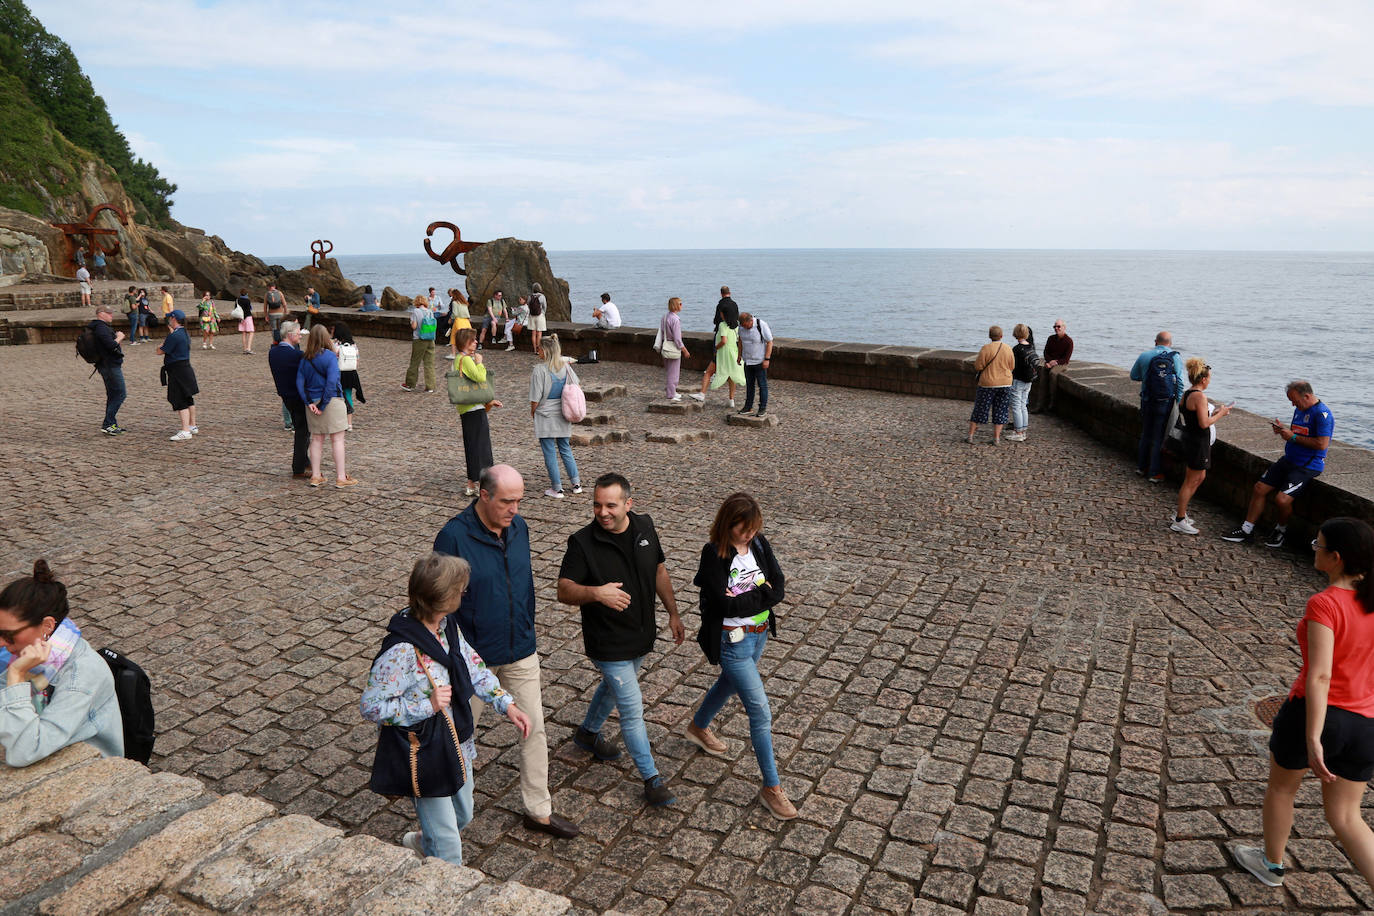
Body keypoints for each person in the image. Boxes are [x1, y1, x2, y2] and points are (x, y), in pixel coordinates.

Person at [433, 465, 580, 840]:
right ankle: (446, 818)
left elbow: (523, 583)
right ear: (484, 496)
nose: (515, 509)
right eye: (506, 501)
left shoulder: (519, 527)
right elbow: (440, 605)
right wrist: (456, 656)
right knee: (458, 737)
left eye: (519, 500)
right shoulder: (453, 537)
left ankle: (539, 811)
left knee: (534, 728)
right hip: (472, 660)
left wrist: (527, 626)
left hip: (520, 649)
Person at [360, 552, 531, 865]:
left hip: (456, 742)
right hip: (425, 752)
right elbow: (371, 706)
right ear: (445, 598)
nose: (465, 594)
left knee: (463, 814)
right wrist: (425, 704)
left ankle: (423, 842)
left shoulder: (448, 626)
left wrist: (506, 704)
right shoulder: (401, 651)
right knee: (449, 844)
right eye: (461, 591)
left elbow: (473, 666)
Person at [1232, 518, 1374, 891]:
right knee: (1348, 817)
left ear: (1336, 557)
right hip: (1365, 723)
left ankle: (1271, 865)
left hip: (1314, 715)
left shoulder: (1325, 603)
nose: (1314, 548)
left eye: (1318, 544)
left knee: (1282, 789)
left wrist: (1314, 737)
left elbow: (1320, 676)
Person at [556, 473, 685, 806]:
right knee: (631, 707)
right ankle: (652, 780)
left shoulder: (645, 527)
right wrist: (596, 593)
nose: (602, 512)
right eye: (597, 505)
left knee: (613, 687)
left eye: (610, 505)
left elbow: (659, 571)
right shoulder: (582, 542)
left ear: (628, 504)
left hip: (641, 635)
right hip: (607, 642)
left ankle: (587, 734)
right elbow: (564, 590)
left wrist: (673, 613)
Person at [685, 492, 796, 819]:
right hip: (731, 642)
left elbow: (778, 584)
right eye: (742, 529)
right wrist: (762, 595)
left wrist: (752, 598)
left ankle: (698, 727)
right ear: (727, 524)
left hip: (758, 635)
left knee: (729, 684)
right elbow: (725, 605)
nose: (749, 534)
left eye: (753, 528)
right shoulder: (714, 554)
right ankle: (771, 788)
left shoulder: (759, 544)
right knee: (760, 712)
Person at [0, 560, 123, 766]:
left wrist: (16, 675)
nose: (1, 643)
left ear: (47, 626)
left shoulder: (80, 676)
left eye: (8, 635)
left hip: (88, 767)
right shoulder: (33, 652)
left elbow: (25, 751)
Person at [1222, 380, 1334, 548]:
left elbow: (1322, 444)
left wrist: (1293, 437)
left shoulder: (1322, 414)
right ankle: (1246, 530)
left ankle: (1280, 530)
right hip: (1289, 459)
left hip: (1307, 465)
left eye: (1295, 401)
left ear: (1307, 396)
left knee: (1282, 500)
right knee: (1259, 488)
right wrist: (1283, 430)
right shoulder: (1300, 409)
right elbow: (1299, 433)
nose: (1293, 405)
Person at [1170, 358, 1232, 535]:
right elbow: (1204, 423)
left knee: (1200, 476)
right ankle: (1179, 519)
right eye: (1209, 377)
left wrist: (1212, 412)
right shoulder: (1200, 396)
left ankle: (1181, 513)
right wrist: (1221, 413)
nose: (1210, 380)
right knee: (1191, 480)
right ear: (1203, 379)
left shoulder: (1187, 393)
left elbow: (1195, 417)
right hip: (1197, 442)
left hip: (1192, 439)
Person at [296, 325, 355, 488]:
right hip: (332, 401)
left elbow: (300, 383)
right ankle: (341, 477)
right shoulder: (330, 356)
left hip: (312, 402)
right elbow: (332, 382)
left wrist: (309, 402)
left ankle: (315, 476)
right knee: (337, 439)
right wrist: (323, 405)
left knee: (316, 439)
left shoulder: (305, 358)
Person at [529, 335, 582, 499]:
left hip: (545, 413)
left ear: (545, 351)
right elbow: (576, 384)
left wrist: (533, 412)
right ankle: (576, 484)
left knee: (549, 451)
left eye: (539, 348)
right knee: (565, 448)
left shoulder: (539, 370)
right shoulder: (565, 367)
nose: (537, 350)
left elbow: (535, 397)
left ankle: (557, 488)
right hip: (563, 412)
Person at [1129, 331, 1186, 481]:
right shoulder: (1175, 357)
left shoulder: (1144, 356)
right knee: (1158, 436)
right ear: (1170, 343)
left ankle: (1141, 467)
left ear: (1155, 342)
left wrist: (1147, 377)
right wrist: (1178, 401)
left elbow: (1134, 376)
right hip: (1165, 402)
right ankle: (1154, 473)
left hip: (1147, 400)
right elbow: (1180, 382)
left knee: (1146, 434)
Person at [453, 329, 501, 496]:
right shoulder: (466, 359)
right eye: (472, 340)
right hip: (474, 407)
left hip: (466, 408)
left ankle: (471, 483)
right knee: (482, 448)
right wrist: (479, 363)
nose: (475, 342)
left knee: (472, 446)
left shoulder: (458, 358)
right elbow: (480, 377)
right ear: (465, 342)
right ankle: (482, 485)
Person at [269, 320, 310, 479]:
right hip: (298, 396)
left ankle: (304, 460)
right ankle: (298, 467)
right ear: (290, 334)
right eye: (298, 333)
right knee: (302, 431)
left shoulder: (273, 352)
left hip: (285, 396)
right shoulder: (296, 355)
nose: (300, 336)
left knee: (301, 428)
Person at [966, 325, 1015, 445]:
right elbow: (1012, 366)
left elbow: (978, 366)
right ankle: (996, 438)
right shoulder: (1008, 348)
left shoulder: (986, 348)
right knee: (1001, 410)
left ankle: (970, 436)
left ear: (989, 336)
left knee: (980, 409)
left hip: (987, 383)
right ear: (1001, 336)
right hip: (1005, 383)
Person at [157, 310, 199, 441]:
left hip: (177, 370)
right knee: (188, 397)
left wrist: (162, 344)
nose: (169, 320)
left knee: (179, 398)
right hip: (185, 368)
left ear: (174, 319)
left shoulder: (174, 336)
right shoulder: (184, 332)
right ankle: (192, 425)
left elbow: (159, 351)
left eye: (170, 318)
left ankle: (185, 430)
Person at [690, 310, 743, 406]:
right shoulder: (736, 326)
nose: (720, 314)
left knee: (708, 372)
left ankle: (702, 394)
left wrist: (716, 348)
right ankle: (731, 400)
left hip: (723, 353)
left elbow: (724, 341)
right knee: (731, 376)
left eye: (722, 313)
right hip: (733, 353)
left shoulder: (723, 325)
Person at [88, 306, 127, 435]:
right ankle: (108, 423)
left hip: (107, 364)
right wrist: (119, 337)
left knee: (113, 394)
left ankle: (111, 424)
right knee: (120, 393)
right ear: (101, 314)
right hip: (109, 365)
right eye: (109, 313)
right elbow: (110, 345)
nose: (111, 315)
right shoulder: (101, 328)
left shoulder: (101, 327)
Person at [1007, 323, 1042, 442]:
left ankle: (1018, 432)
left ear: (1016, 333)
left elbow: (1012, 365)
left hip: (1018, 380)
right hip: (1028, 381)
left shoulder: (1017, 349)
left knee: (1016, 406)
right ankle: (1023, 430)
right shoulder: (1031, 347)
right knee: (1023, 405)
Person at [1032, 317, 1073, 413]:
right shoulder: (1051, 338)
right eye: (1055, 326)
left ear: (1064, 327)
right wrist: (1049, 362)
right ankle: (1040, 405)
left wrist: (1055, 362)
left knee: (1053, 374)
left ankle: (1052, 404)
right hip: (1050, 362)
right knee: (1043, 375)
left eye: (1058, 326)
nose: (1056, 328)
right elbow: (1046, 352)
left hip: (1061, 363)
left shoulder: (1069, 341)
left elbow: (1066, 358)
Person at [331, 321, 366, 431]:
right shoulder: (353, 345)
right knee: (348, 395)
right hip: (351, 373)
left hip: (338, 373)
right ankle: (349, 423)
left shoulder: (335, 345)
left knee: (336, 397)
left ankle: (337, 421)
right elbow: (357, 360)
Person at [737, 312, 773, 417]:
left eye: (746, 325)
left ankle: (762, 408)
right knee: (749, 385)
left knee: (762, 385)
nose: (745, 328)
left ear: (750, 321)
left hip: (759, 361)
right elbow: (740, 341)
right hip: (747, 361)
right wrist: (739, 355)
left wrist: (767, 359)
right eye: (743, 326)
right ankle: (748, 407)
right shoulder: (741, 328)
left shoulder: (761, 325)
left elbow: (770, 342)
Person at [403, 294, 437, 393]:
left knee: (415, 362)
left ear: (416, 302)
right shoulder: (430, 312)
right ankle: (430, 386)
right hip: (430, 339)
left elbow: (414, 326)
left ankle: (410, 384)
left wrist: (411, 322)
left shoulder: (416, 311)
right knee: (429, 363)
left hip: (419, 339)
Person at [659, 297, 690, 401]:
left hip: (665, 345)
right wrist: (684, 350)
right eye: (680, 304)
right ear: (676, 305)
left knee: (669, 371)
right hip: (673, 347)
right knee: (674, 373)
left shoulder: (665, 317)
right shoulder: (675, 319)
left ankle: (672, 391)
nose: (682, 305)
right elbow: (677, 338)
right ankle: (671, 394)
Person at [446, 288, 472, 360]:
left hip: (458, 320)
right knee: (467, 338)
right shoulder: (464, 302)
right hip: (466, 321)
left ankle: (453, 354)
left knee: (453, 337)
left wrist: (450, 319)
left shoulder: (455, 303)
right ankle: (469, 354)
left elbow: (455, 313)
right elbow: (467, 313)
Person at [527, 283, 548, 358]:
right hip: (540, 316)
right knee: (539, 333)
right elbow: (545, 306)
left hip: (532, 316)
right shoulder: (542, 296)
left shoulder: (530, 296)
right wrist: (543, 313)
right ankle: (539, 350)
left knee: (533, 333)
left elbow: (528, 305)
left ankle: (535, 350)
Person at [236, 288, 255, 354]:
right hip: (248, 317)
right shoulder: (247, 300)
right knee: (251, 332)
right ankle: (248, 348)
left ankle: (244, 349)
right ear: (247, 293)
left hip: (240, 318)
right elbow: (249, 309)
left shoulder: (237, 300)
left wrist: (241, 317)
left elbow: (236, 308)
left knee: (244, 333)